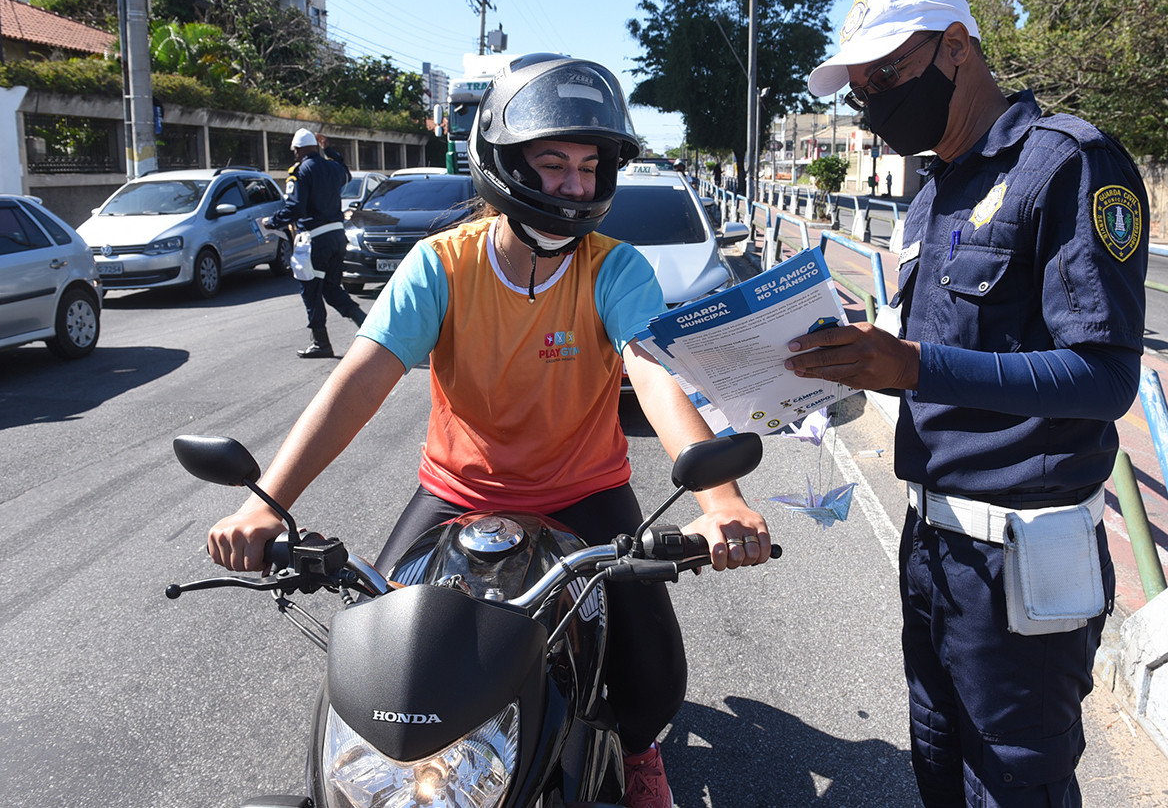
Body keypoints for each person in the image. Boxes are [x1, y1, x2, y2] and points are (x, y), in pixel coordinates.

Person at [207, 54, 771, 808]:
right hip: (456, 493)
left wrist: (720, 500)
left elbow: (652, 373)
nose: (575, 185)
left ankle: (636, 754)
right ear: (503, 164)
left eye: (588, 166)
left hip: (586, 495)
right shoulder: (440, 265)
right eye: (552, 164)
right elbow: (357, 383)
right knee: (388, 655)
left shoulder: (615, 268)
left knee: (653, 670)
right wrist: (266, 503)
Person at [788, 0, 1148, 808]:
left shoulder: (1069, 163)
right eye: (859, 89)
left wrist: (910, 365)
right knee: (938, 771)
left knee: (1014, 788)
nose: (871, 101)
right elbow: (931, 350)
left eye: (884, 75)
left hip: (1024, 561)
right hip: (935, 549)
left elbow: (1105, 377)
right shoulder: (933, 190)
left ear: (957, 46)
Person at [271, 127, 365, 358]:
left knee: (310, 290)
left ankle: (321, 343)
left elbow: (296, 207)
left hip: (314, 240)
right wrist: (330, 149)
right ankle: (368, 325)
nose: (294, 154)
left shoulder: (300, 170)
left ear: (300, 150)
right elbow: (346, 172)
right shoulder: (333, 167)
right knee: (332, 288)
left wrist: (272, 222)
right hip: (336, 237)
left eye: (295, 150)